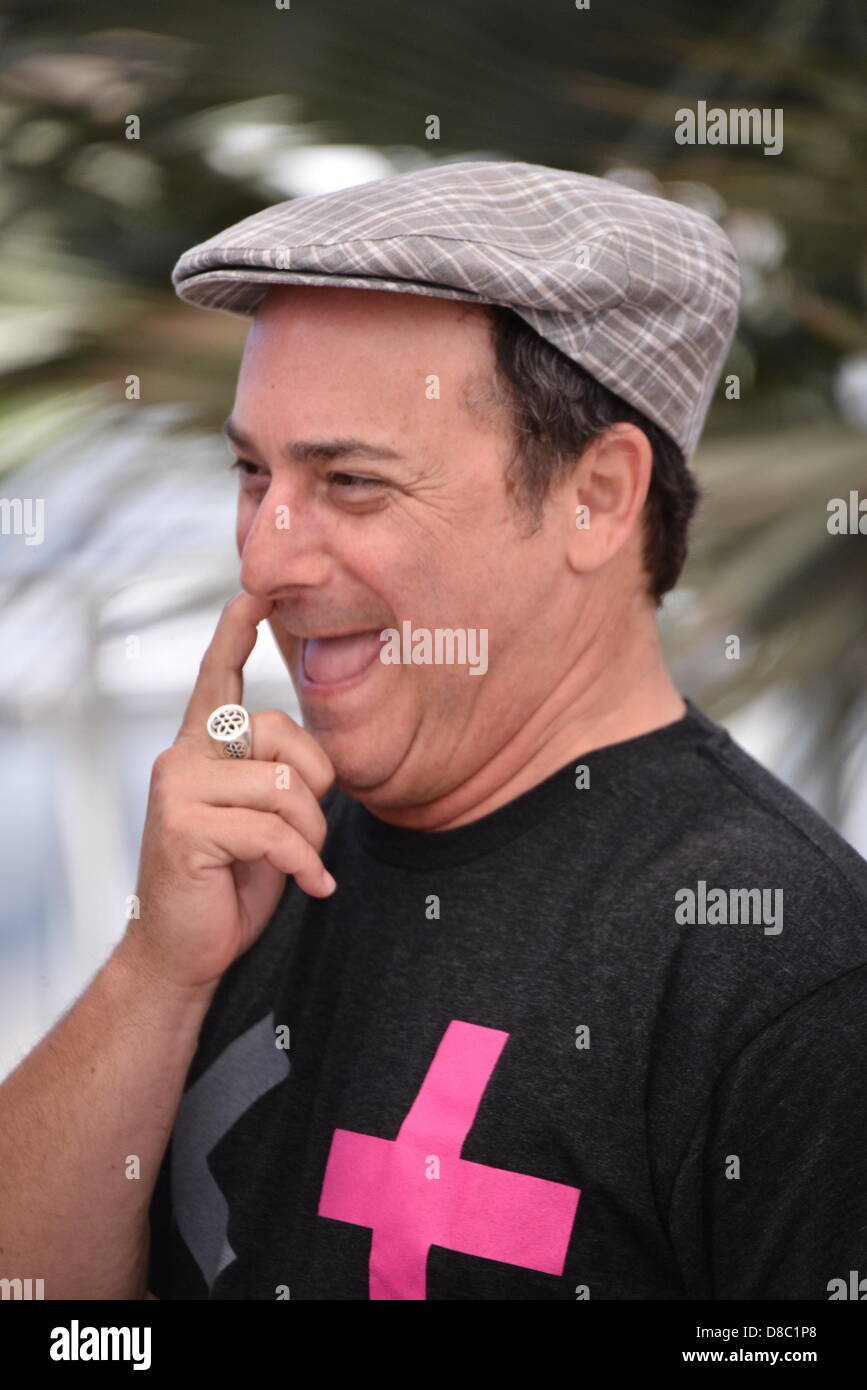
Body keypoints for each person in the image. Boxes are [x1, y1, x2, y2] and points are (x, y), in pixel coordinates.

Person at [1, 161, 865, 1301]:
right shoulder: (250, 858)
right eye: (252, 472)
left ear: (598, 495)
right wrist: (154, 972)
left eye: (352, 482)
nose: (264, 556)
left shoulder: (790, 968)